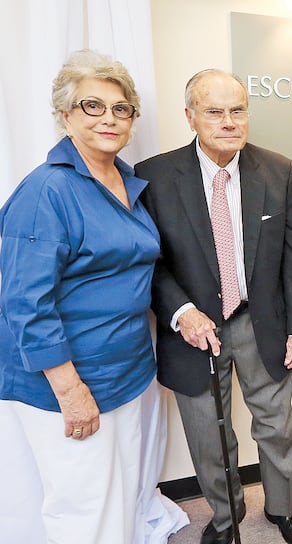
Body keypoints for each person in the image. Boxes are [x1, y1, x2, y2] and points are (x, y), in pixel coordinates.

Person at [135, 69, 292, 544]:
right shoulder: (152, 176)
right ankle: (226, 516)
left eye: (237, 110)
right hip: (194, 329)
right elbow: (147, 261)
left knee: (277, 425)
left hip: (263, 323)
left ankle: (283, 508)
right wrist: (180, 311)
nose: (228, 122)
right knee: (209, 436)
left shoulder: (278, 170)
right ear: (191, 116)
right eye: (214, 111)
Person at [0, 50, 159, 543]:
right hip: (70, 376)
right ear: (65, 115)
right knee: (83, 506)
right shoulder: (47, 191)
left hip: (126, 368)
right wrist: (70, 391)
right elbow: (25, 303)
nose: (108, 119)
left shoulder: (125, 182)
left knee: (120, 493)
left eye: (121, 108)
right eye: (92, 106)